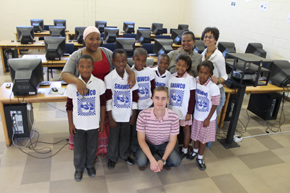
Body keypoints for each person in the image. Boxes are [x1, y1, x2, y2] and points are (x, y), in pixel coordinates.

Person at [61, 26, 136, 161]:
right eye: (91, 39)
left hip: (103, 94)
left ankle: (100, 150)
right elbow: (65, 74)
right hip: (86, 95)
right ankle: (89, 155)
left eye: (97, 39)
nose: (95, 42)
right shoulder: (77, 55)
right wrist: (78, 82)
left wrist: (131, 73)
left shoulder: (106, 52)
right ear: (84, 39)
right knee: (87, 124)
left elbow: (121, 63)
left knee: (101, 124)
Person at [66, 54, 106, 182]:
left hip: (93, 124)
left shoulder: (99, 84)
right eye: (82, 66)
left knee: (91, 147)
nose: (85, 69)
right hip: (78, 124)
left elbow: (103, 104)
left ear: (93, 68)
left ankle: (89, 166)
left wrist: (101, 121)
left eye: (88, 66)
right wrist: (70, 124)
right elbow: (69, 107)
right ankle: (78, 168)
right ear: (77, 67)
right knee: (78, 148)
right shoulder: (72, 86)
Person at [105, 49, 139, 170]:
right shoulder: (109, 78)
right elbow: (108, 99)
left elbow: (135, 97)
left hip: (127, 114)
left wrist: (134, 114)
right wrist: (110, 117)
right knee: (113, 139)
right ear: (113, 62)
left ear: (127, 62)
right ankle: (112, 158)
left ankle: (124, 155)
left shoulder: (131, 77)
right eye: (118, 61)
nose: (121, 64)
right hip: (114, 115)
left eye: (123, 61)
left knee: (125, 137)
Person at [135, 86, 181, 172]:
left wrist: (163, 160)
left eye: (163, 98)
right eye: (157, 98)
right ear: (152, 99)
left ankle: (163, 161)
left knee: (176, 161)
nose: (160, 102)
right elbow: (141, 139)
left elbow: (172, 141)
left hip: (164, 144)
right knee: (141, 161)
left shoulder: (174, 117)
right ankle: (150, 159)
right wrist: (152, 160)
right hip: (148, 143)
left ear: (168, 100)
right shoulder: (143, 115)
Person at [187, 60, 220, 170]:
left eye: (206, 73)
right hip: (197, 115)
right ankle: (195, 151)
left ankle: (200, 157)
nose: (202, 75)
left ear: (210, 75)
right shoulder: (196, 81)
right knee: (196, 136)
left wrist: (208, 118)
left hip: (207, 118)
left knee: (203, 139)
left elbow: (215, 104)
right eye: (200, 72)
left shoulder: (213, 87)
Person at [200, 27, 228, 148]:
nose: (207, 39)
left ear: (215, 39)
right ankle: (201, 141)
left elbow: (225, 76)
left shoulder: (219, 56)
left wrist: (218, 81)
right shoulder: (204, 53)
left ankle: (207, 145)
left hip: (217, 92)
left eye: (210, 37)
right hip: (206, 91)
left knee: (212, 120)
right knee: (204, 117)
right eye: (206, 36)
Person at [167, 54, 196, 158]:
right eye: (179, 65)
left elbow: (192, 98)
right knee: (172, 131)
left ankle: (185, 149)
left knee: (186, 129)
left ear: (187, 67)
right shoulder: (171, 77)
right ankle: (172, 149)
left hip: (184, 112)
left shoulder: (190, 79)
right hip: (172, 111)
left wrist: (189, 112)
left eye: (183, 66)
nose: (180, 68)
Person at [130, 48, 155, 154]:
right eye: (138, 60)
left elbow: (153, 88)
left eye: (144, 60)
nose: (141, 63)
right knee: (135, 130)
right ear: (133, 59)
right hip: (135, 107)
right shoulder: (130, 73)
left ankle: (147, 150)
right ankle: (136, 151)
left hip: (148, 106)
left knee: (147, 130)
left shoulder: (150, 72)